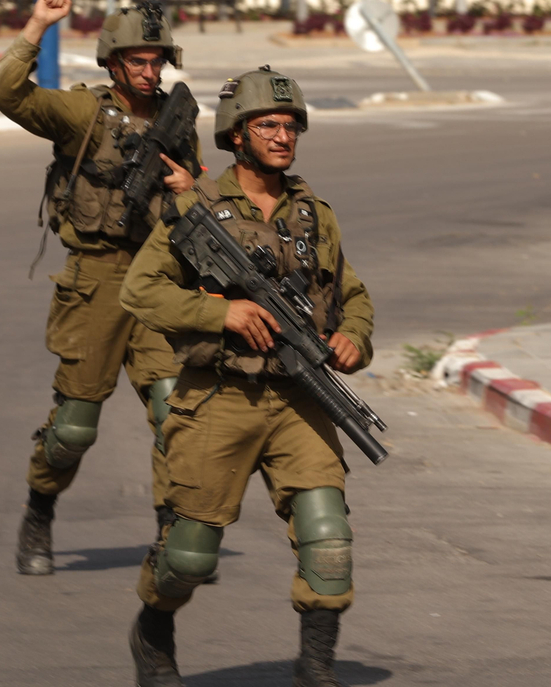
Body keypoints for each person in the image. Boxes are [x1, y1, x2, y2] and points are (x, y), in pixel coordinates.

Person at [120, 67, 375, 687]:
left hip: (299, 400)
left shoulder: (315, 214)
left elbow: (354, 295)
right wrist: (220, 311)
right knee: (188, 556)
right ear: (236, 135)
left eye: (290, 126)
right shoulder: (196, 207)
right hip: (218, 397)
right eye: (268, 125)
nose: (283, 136)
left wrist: (352, 339)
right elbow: (141, 290)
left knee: (329, 542)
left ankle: (316, 666)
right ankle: (153, 630)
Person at [0, 0, 203, 577]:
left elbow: (200, 204)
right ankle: (40, 508)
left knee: (173, 414)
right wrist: (36, 26)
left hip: (160, 280)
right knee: (74, 427)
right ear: (113, 62)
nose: (150, 70)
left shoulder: (179, 119)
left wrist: (190, 187)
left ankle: (174, 535)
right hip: (96, 279)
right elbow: (8, 94)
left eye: (157, 59)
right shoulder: (84, 113)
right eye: (138, 60)